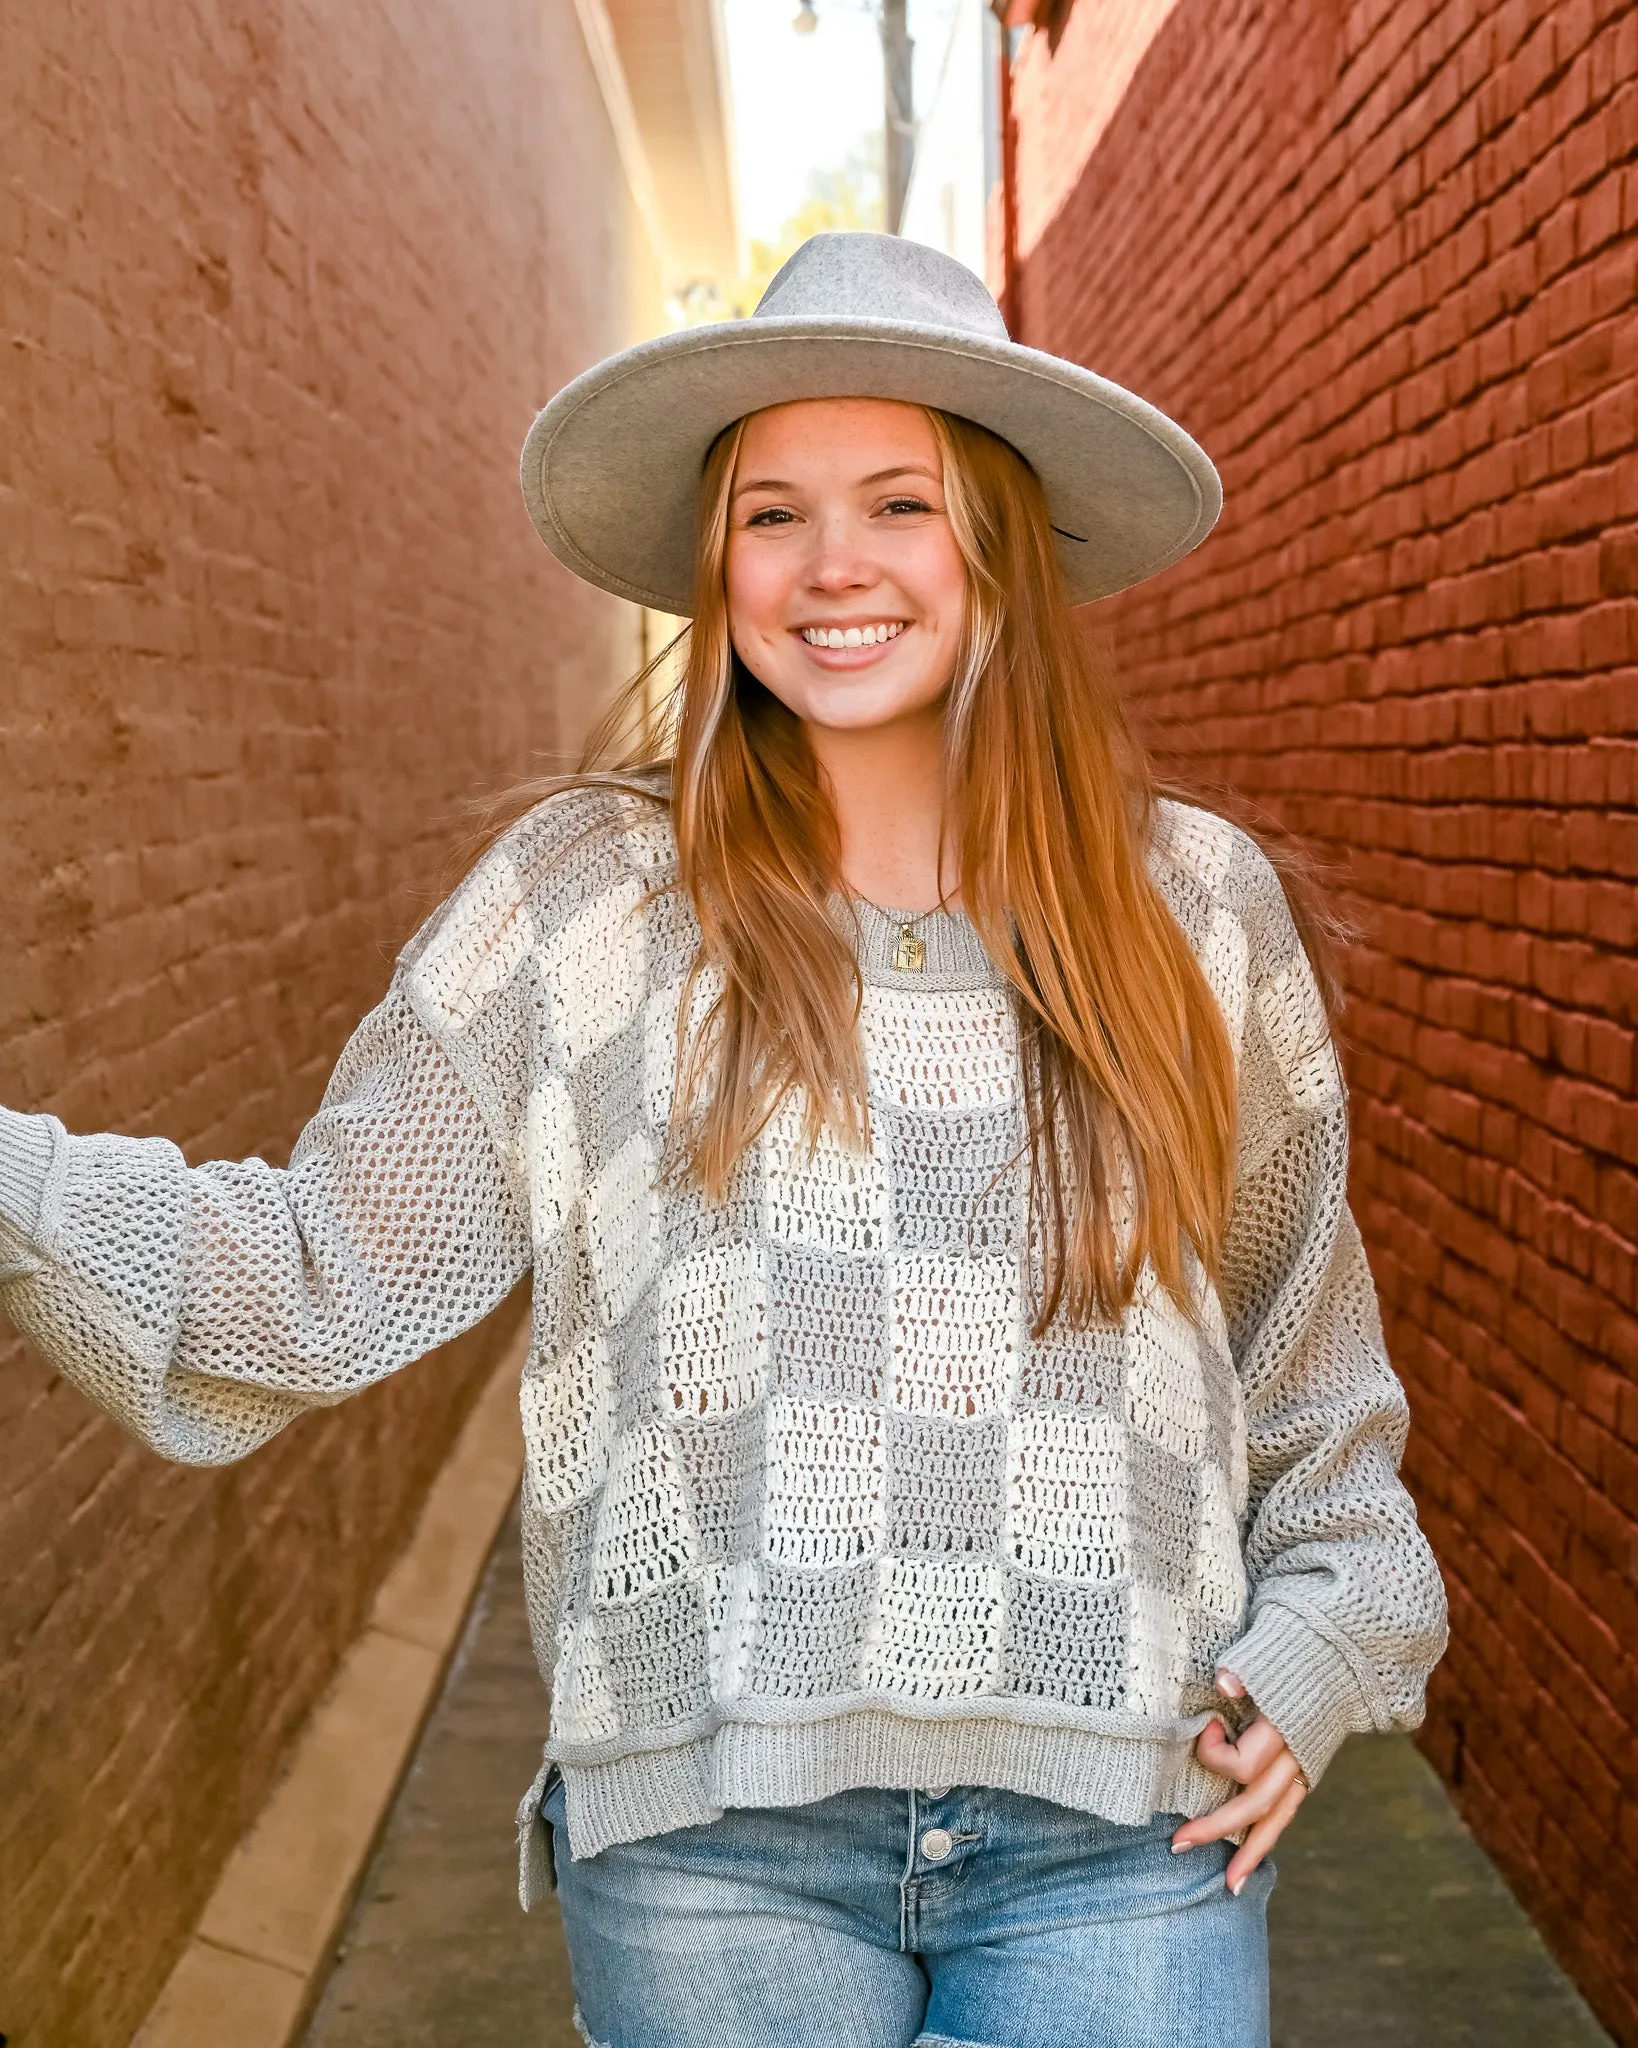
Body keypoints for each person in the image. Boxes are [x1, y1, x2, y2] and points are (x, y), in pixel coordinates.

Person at [0, 234, 1447, 2048]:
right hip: (709, 1854)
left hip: (1126, 1832)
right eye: (773, 513)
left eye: (898, 501)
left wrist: (1314, 1655)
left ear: (996, 542)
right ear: (716, 563)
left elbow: (1301, 1359)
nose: (832, 565)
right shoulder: (579, 908)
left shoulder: (1194, 910)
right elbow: (303, 1281)